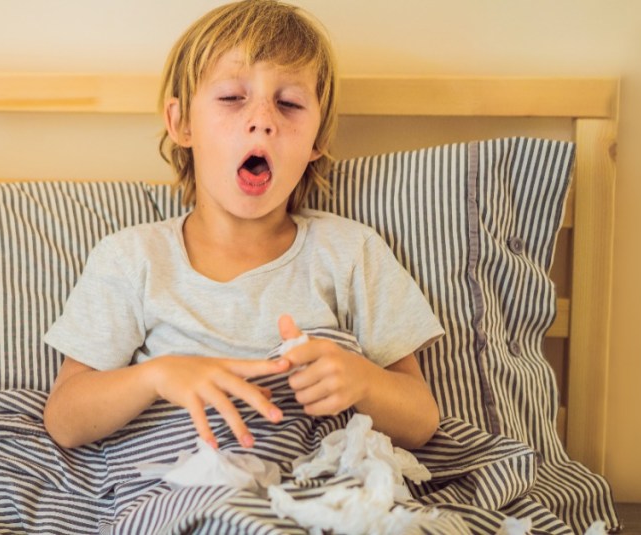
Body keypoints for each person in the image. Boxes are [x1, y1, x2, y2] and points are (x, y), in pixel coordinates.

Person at [42, 0, 444, 452]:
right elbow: (65, 419)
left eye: (289, 103)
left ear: (318, 141)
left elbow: (421, 420)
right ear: (181, 123)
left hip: (318, 488)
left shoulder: (350, 253)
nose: (262, 121)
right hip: (184, 491)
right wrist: (157, 375)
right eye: (233, 98)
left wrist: (364, 382)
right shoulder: (133, 259)